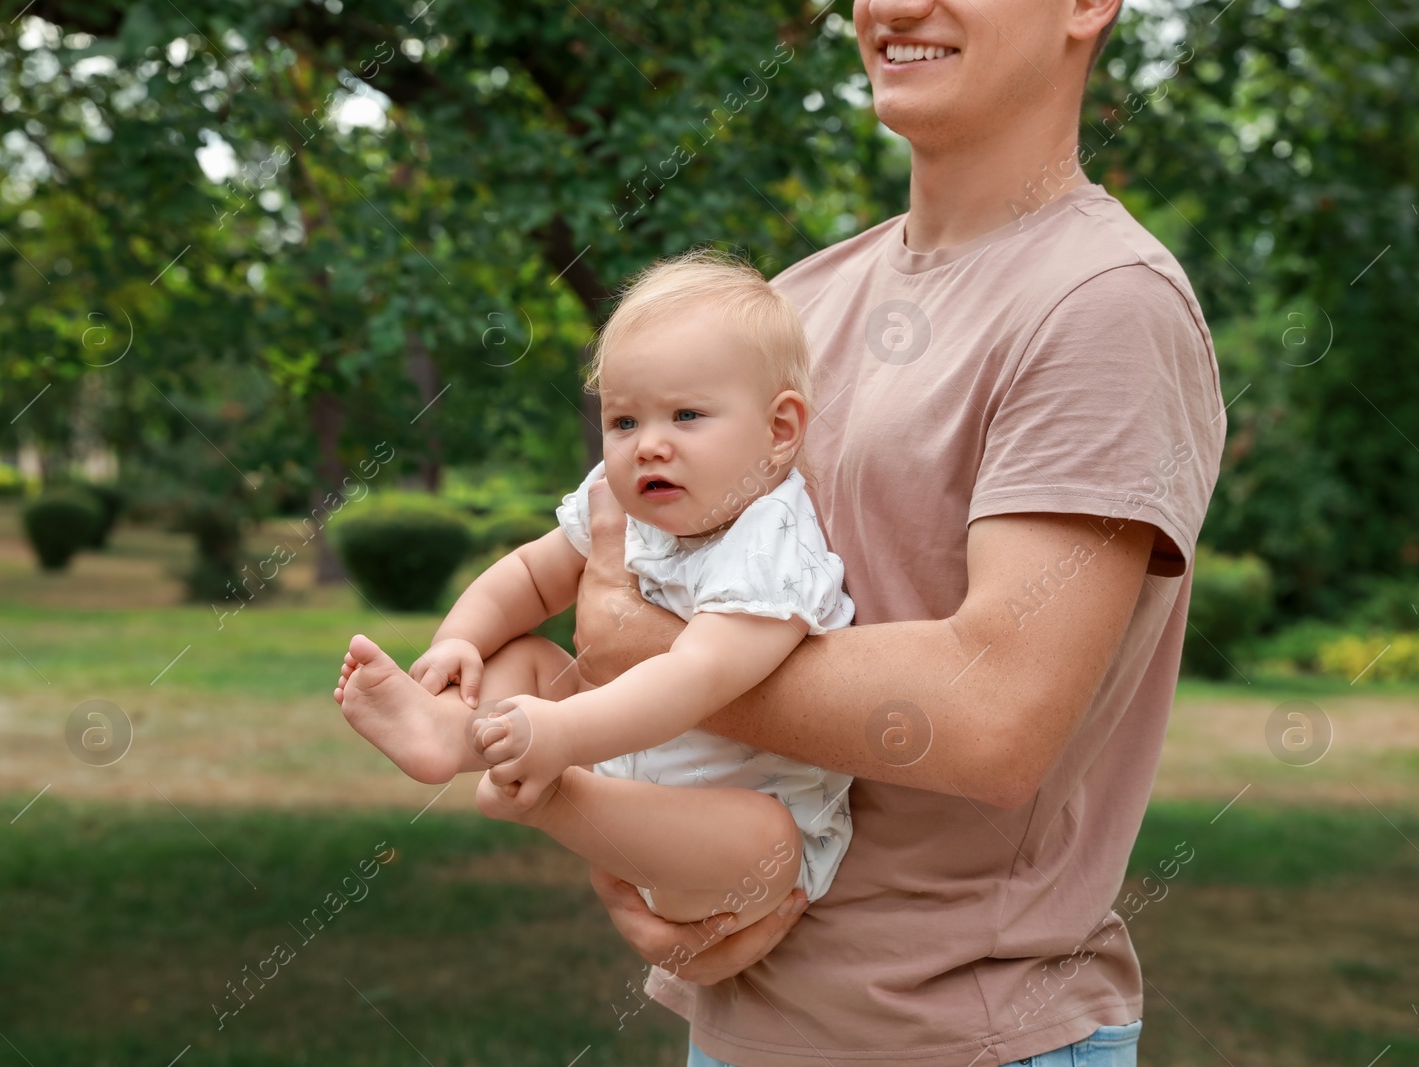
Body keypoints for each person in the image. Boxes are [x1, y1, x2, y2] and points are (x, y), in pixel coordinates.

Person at [562, 0, 1227, 1064]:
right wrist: (623, 860)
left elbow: (993, 715)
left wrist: (637, 648)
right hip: (743, 1025)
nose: (890, 7)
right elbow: (631, 551)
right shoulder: (793, 306)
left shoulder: (1103, 306)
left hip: (966, 1037)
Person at [334, 252, 859, 936]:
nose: (649, 446)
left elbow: (695, 674)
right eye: (624, 422)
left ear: (779, 431)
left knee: (765, 836)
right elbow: (529, 573)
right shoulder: (621, 503)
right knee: (525, 656)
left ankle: (547, 793)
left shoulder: (770, 539)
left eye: (687, 414)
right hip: (623, 780)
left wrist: (561, 733)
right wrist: (459, 639)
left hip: (735, 849)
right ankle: (447, 731)